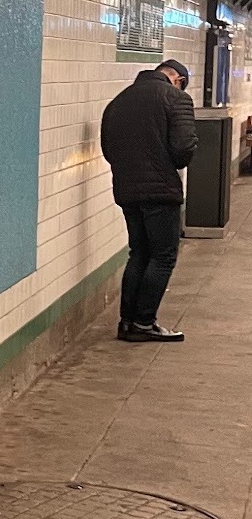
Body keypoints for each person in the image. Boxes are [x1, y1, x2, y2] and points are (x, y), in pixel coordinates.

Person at [99, 57, 198, 343]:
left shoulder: (118, 101)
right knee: (163, 256)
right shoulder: (176, 98)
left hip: (127, 189)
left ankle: (127, 323)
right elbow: (183, 149)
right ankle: (144, 322)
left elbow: (108, 148)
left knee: (139, 253)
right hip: (160, 192)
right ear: (178, 80)